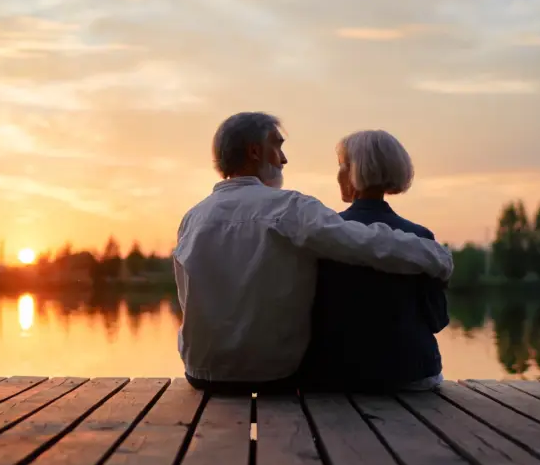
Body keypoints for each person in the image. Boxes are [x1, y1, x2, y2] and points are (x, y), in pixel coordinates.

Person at [174, 112, 453, 393]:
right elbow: (365, 243)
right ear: (255, 151)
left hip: (200, 374)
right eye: (278, 146)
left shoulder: (193, 217)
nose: (283, 159)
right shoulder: (290, 208)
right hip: (272, 375)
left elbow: (188, 302)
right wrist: (435, 257)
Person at [299, 130, 448, 392]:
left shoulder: (323, 234)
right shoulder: (419, 237)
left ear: (351, 172)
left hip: (334, 374)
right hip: (412, 374)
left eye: (340, 166)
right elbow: (437, 320)